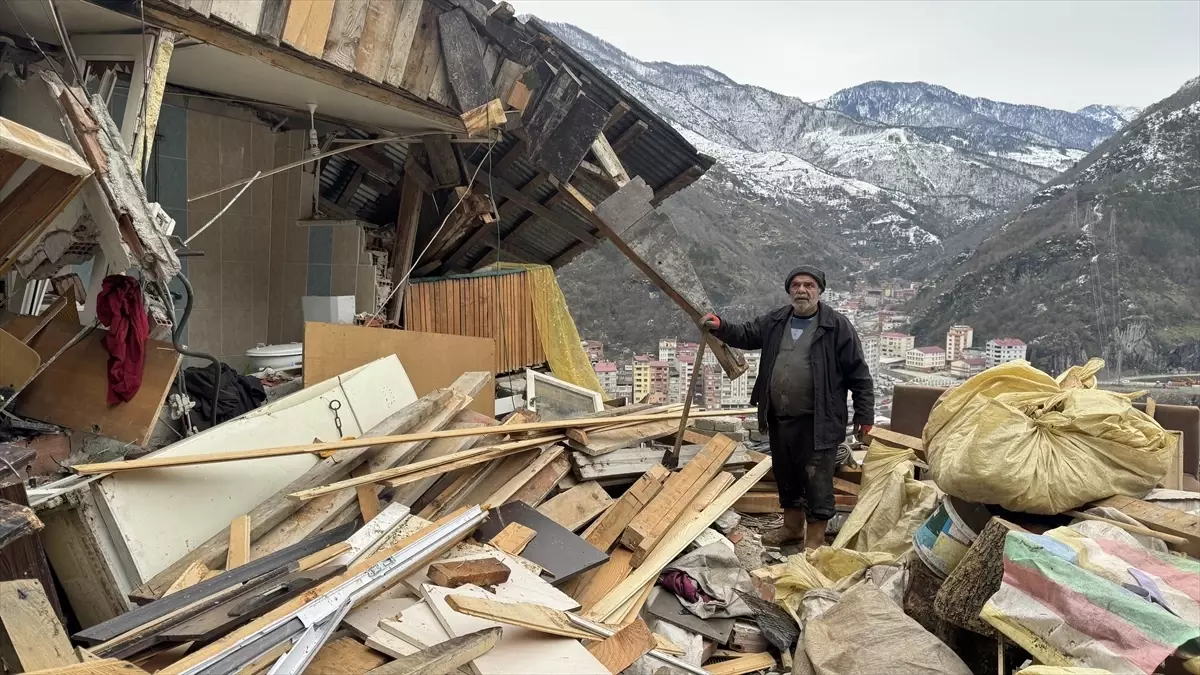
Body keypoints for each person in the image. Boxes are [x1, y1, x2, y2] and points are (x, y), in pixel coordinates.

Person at [701, 265, 874, 549]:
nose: (802, 290)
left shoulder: (836, 326)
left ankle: (814, 541)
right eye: (796, 285)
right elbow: (747, 334)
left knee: (817, 480)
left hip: (819, 421)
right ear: (789, 290)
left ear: (819, 291)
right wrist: (721, 326)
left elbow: (859, 374)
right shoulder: (777, 320)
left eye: (809, 285)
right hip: (780, 417)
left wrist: (865, 414)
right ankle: (792, 529)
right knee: (787, 475)